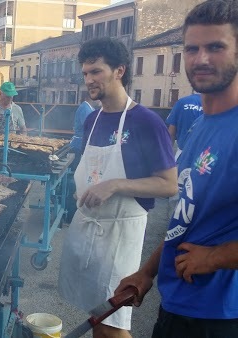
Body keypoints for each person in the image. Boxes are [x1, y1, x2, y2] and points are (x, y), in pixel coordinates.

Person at [116, 1, 238, 337]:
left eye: (216, 47)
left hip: (220, 317)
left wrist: (214, 258)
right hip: (176, 305)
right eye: (192, 48)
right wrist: (147, 273)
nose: (201, 59)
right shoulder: (199, 125)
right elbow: (185, 220)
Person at [57, 37, 177, 338]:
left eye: (96, 72)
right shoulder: (93, 120)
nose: (89, 80)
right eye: (85, 73)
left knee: (113, 325)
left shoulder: (146, 121)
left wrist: (116, 184)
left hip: (121, 235)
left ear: (119, 71)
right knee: (98, 317)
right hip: (89, 232)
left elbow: (168, 184)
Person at [65, 94, 98, 223]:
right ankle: (70, 212)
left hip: (83, 146)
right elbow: (90, 129)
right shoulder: (85, 108)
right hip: (79, 147)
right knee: (75, 179)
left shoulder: (90, 108)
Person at [166, 93, 202, 161]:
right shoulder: (212, 104)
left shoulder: (182, 102)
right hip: (202, 155)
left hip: (182, 153)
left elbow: (171, 132)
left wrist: (167, 155)